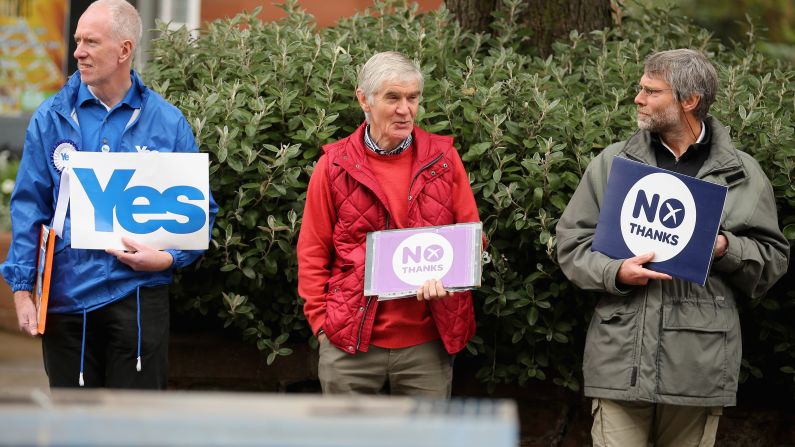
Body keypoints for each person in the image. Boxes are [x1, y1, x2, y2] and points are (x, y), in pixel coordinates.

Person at [556, 49, 789, 446]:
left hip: (698, 364)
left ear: (689, 100)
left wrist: (724, 248)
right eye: (640, 88)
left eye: (651, 91)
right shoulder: (614, 163)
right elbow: (571, 244)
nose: (638, 98)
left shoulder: (742, 173)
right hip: (620, 361)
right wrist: (616, 273)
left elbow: (772, 260)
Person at [0, 0, 217, 389]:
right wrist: (21, 289)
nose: (77, 51)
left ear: (124, 50)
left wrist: (168, 257)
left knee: (134, 427)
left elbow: (199, 209)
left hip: (138, 298)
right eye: (78, 40)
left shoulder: (168, 122)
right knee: (71, 427)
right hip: (67, 299)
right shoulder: (51, 117)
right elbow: (29, 206)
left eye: (91, 42)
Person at [297, 51, 481, 397]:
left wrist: (451, 277)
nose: (405, 109)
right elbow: (312, 252)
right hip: (350, 343)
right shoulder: (334, 166)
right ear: (363, 99)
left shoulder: (443, 159)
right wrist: (322, 326)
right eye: (393, 97)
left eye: (413, 98)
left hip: (426, 342)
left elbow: (472, 239)